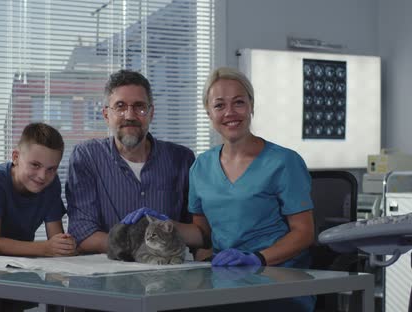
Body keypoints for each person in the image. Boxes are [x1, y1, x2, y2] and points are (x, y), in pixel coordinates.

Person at [125, 67, 316, 312]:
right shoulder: (201, 166)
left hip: (278, 282)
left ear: (251, 106)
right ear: (208, 112)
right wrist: (162, 223)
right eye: (219, 105)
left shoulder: (284, 162)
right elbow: (202, 233)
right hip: (225, 283)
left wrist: (258, 258)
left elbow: (304, 232)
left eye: (238, 103)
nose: (229, 113)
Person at [66, 69, 195, 255]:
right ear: (106, 115)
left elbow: (198, 232)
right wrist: (141, 247)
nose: (130, 115)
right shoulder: (86, 157)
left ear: (151, 113)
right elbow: (83, 234)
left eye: (139, 106)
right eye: (120, 106)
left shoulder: (182, 159)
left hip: (166, 273)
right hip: (105, 276)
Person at [0, 122, 76, 311]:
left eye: (51, 169)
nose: (42, 176)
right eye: (35, 165)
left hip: (19, 268)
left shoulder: (51, 184)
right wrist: (47, 248)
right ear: (15, 157)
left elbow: (55, 237)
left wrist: (63, 245)